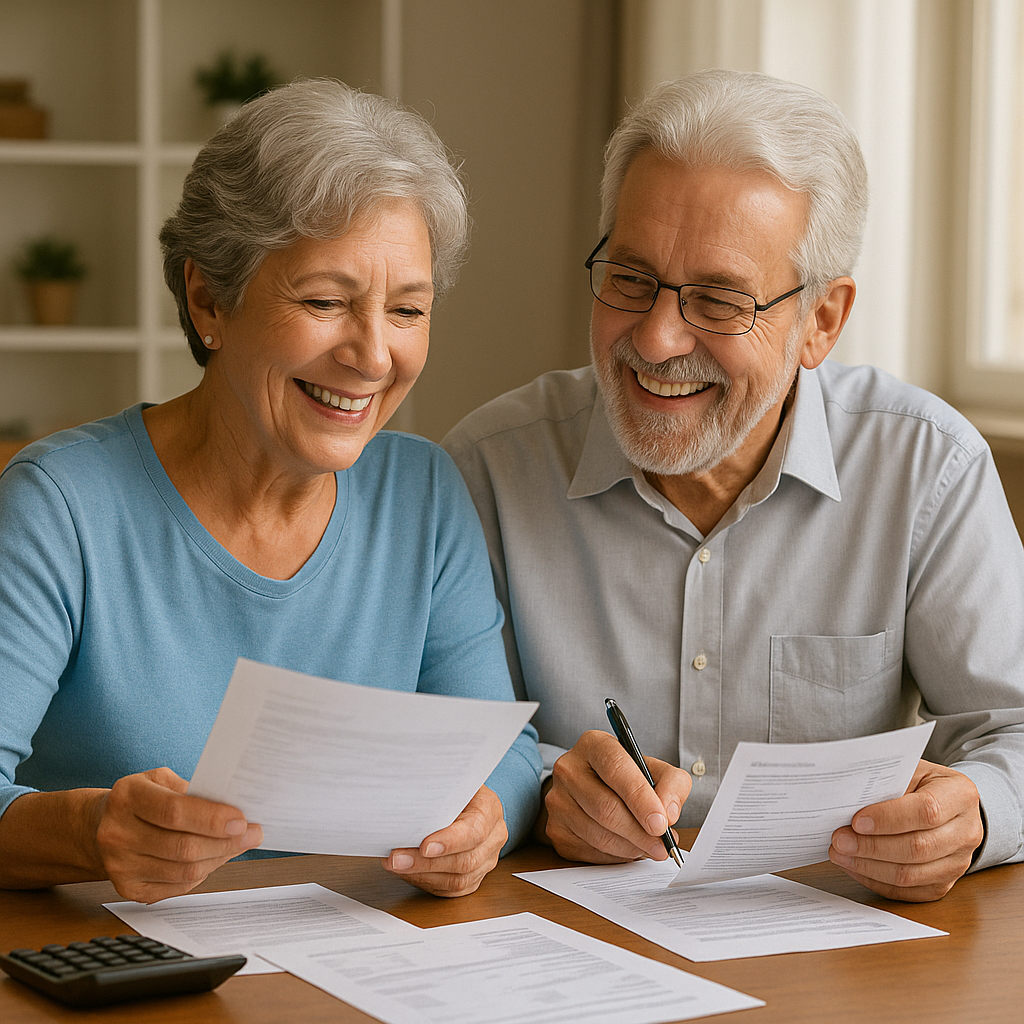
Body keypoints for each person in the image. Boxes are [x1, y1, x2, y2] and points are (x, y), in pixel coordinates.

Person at [443, 69, 1024, 902]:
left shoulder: (926, 466)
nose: (657, 335)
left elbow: (1016, 728)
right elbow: (450, 742)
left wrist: (976, 810)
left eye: (718, 300)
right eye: (630, 277)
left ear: (822, 320)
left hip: (839, 960)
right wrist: (540, 787)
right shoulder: (489, 470)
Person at [0, 79, 541, 904]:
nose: (371, 355)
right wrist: (91, 832)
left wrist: (483, 823)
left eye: (407, 309)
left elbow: (503, 751)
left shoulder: (422, 493)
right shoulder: (61, 505)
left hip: (359, 962)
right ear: (208, 297)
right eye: (325, 301)